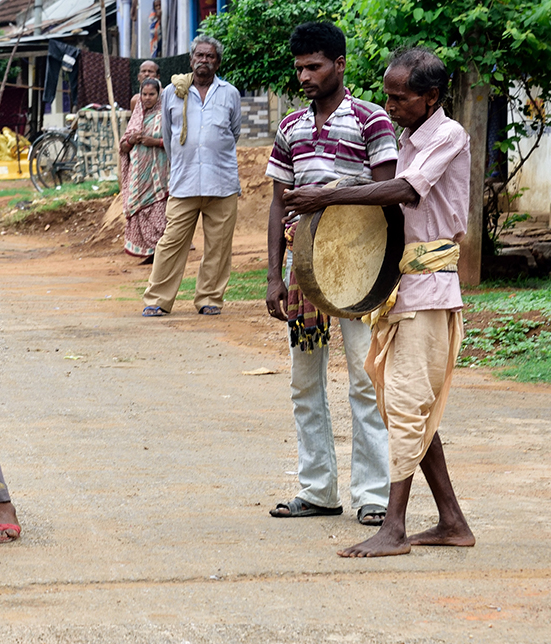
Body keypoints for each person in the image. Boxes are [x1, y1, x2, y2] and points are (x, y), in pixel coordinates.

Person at [283, 48, 475, 558]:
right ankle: (452, 521)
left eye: (400, 97)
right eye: (388, 95)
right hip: (402, 288)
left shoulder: (449, 136)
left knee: (407, 404)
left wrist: (329, 197)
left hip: (430, 289)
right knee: (405, 405)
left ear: (431, 96)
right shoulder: (411, 137)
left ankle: (393, 529)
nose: (390, 106)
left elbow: (404, 192)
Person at [264, 22, 396, 526]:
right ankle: (317, 490)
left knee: (366, 380)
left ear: (339, 65)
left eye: (314, 66)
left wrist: (328, 196)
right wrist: (274, 276)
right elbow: (278, 207)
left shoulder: (371, 120)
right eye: (299, 67)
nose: (304, 76)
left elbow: (390, 193)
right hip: (306, 273)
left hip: (363, 271)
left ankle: (374, 495)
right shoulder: (290, 127)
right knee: (304, 383)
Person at [140, 36, 241, 318]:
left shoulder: (230, 93)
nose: (204, 61)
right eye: (199, 55)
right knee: (171, 243)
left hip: (221, 182)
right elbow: (169, 140)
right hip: (184, 183)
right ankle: (158, 299)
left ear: (217, 62)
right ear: (191, 59)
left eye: (210, 56)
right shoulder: (173, 92)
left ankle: (209, 298)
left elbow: (234, 133)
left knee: (218, 247)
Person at [120, 78, 169, 264]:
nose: (147, 98)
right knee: (139, 211)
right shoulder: (137, 116)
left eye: (152, 94)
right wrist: (132, 139)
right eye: (144, 94)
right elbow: (123, 147)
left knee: (158, 212)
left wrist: (154, 142)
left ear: (159, 95)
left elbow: (178, 142)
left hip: (160, 177)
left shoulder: (166, 114)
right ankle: (148, 252)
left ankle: (160, 252)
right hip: (138, 175)